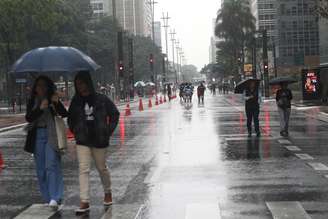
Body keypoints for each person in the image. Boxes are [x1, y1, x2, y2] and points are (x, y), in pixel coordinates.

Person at [68, 71, 120, 214]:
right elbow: (70, 117)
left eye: (82, 83)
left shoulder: (101, 99)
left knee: (101, 168)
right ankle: (84, 201)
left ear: (88, 83)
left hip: (99, 139)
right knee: (83, 169)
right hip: (82, 140)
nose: (80, 87)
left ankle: (107, 192)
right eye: (77, 84)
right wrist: (75, 130)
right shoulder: (76, 101)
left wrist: (107, 130)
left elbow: (115, 114)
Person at [25, 75, 68, 210]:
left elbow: (64, 113)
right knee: (41, 169)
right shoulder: (32, 101)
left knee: (51, 165)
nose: (41, 88)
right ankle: (47, 197)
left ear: (48, 87)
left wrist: (55, 102)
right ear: (35, 88)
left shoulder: (52, 98)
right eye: (38, 86)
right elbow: (29, 118)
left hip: (52, 135)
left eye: (44, 85)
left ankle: (55, 197)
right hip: (37, 135)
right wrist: (40, 108)